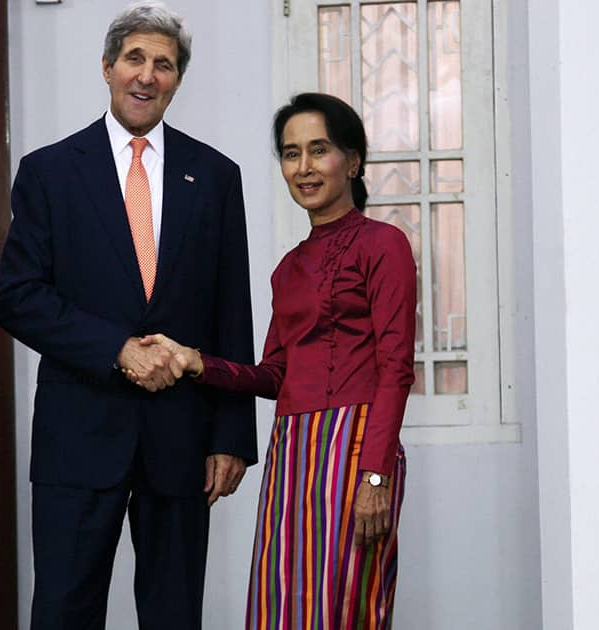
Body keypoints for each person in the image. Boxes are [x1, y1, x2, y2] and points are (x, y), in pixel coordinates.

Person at [0, 2, 257, 628]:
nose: (147, 75)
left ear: (177, 80)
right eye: (135, 58)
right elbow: (18, 296)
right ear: (108, 67)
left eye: (163, 65)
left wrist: (232, 437)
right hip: (78, 433)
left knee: (173, 614)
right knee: (63, 610)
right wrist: (117, 349)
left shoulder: (216, 176)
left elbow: (231, 311)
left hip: (182, 437)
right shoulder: (49, 172)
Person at [133, 93, 417, 629]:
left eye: (319, 150)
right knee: (280, 605)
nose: (304, 168)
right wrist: (196, 362)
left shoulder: (385, 245)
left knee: (344, 607)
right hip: (293, 451)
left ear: (353, 161)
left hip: (355, 449)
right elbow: (275, 375)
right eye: (291, 154)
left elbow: (396, 366)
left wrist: (376, 476)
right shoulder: (289, 268)